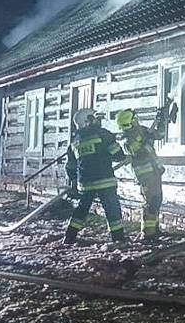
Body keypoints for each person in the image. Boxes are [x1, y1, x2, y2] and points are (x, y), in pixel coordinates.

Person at [63, 108, 126, 245]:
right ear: (87, 121)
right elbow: (118, 155)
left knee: (81, 209)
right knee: (112, 209)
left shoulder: (75, 141)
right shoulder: (103, 135)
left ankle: (69, 236)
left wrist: (74, 182)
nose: (98, 120)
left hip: (85, 183)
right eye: (95, 118)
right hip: (105, 180)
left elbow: (70, 167)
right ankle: (118, 238)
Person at [116, 105, 169, 243]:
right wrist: (146, 141)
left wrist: (161, 120)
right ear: (131, 121)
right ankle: (148, 234)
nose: (137, 120)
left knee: (157, 200)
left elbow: (159, 135)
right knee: (150, 203)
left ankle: (154, 230)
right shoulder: (128, 140)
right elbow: (139, 152)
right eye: (135, 118)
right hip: (145, 175)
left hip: (155, 172)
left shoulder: (143, 131)